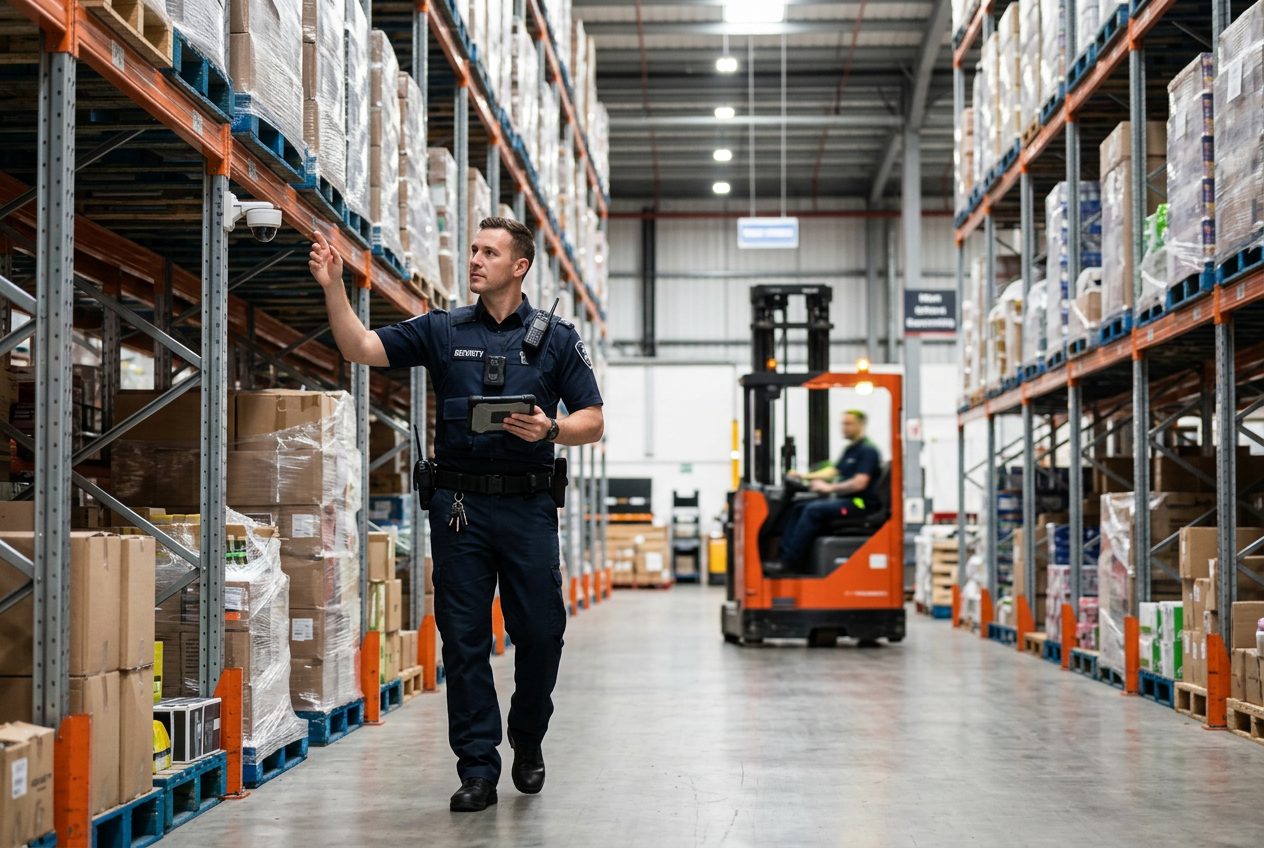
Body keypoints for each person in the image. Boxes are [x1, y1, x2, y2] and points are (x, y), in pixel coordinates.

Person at [308, 217, 604, 813]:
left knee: (541, 636)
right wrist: (333, 286)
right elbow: (362, 347)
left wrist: (551, 427)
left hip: (528, 507)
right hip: (460, 510)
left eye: (488, 252)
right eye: (472, 249)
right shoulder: (443, 330)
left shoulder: (557, 339)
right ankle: (477, 766)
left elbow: (593, 419)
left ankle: (528, 732)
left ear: (518, 267)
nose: (474, 260)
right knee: (464, 641)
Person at [776, 410, 882, 568]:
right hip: (847, 500)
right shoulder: (851, 449)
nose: (844, 428)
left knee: (813, 510)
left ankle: (789, 561)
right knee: (797, 506)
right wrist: (804, 476)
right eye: (843, 423)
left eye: (848, 424)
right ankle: (782, 556)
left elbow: (860, 483)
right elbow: (833, 471)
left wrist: (829, 488)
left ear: (861, 425)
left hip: (860, 503)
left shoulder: (868, 450)